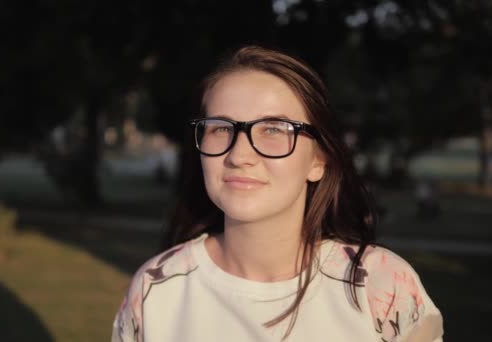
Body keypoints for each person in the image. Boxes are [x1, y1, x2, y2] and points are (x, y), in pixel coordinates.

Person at [111, 46, 444, 342]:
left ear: (318, 161)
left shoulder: (381, 288)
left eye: (273, 129)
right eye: (221, 128)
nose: (239, 155)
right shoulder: (156, 290)